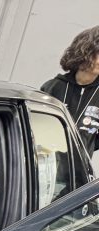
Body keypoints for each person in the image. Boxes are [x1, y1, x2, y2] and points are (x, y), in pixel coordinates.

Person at [42, 26, 99, 158]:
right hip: (46, 164)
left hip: (77, 169)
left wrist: (86, 147)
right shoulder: (52, 87)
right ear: (85, 53)